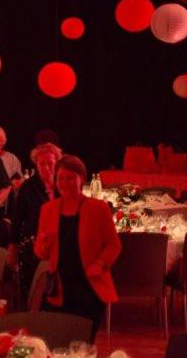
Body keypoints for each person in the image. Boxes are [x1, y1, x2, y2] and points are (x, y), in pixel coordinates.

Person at [34, 155, 121, 339]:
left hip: (89, 288)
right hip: (60, 288)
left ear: (82, 178)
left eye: (70, 178)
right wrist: (44, 244)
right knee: (56, 342)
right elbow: (40, 253)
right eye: (60, 178)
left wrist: (100, 263)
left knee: (82, 346)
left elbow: (114, 245)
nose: (65, 183)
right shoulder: (48, 209)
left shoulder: (98, 208)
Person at [8, 142, 62, 302]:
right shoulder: (27, 187)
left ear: (57, 162)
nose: (46, 168)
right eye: (42, 164)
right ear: (36, 164)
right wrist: (13, 250)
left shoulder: (64, 183)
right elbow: (17, 220)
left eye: (50, 163)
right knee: (34, 290)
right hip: (33, 247)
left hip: (60, 245)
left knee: (57, 290)